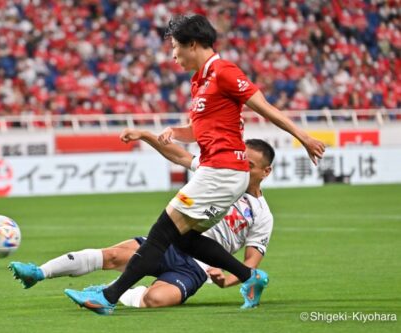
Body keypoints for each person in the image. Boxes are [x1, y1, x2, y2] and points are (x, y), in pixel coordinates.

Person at [64, 14, 325, 315]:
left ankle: (108, 297)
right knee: (185, 239)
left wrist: (303, 136)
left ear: (193, 44)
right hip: (218, 171)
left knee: (160, 234)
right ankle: (250, 277)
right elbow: (202, 130)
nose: (173, 55)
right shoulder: (199, 81)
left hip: (222, 172)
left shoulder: (225, 71)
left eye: (175, 47)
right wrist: (176, 132)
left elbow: (264, 107)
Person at [9, 131, 274, 309]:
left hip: (197, 269)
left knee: (155, 300)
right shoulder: (220, 174)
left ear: (266, 171)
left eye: (249, 165)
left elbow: (252, 262)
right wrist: (146, 135)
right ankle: (38, 272)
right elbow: (179, 154)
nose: (242, 167)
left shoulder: (262, 215)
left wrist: (226, 280)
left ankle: (111, 290)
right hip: (170, 243)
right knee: (112, 255)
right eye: (241, 160)